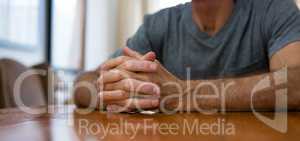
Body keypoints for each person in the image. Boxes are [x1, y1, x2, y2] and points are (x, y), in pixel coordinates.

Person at [74, 0, 300, 113]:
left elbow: (296, 83)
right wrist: (115, 91)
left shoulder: (274, 10)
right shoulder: (160, 24)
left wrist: (182, 94)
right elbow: (82, 84)